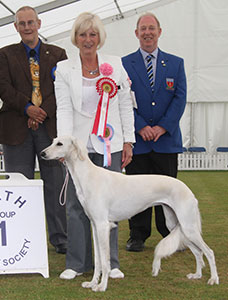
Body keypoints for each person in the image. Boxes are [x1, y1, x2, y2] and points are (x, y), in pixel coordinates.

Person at [55, 12, 135, 280]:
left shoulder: (116, 65)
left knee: (107, 205)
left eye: (92, 34)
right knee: (77, 206)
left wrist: (128, 140)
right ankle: (76, 263)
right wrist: (63, 145)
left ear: (99, 38)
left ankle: (110, 263)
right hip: (78, 147)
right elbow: (64, 108)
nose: (87, 39)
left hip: (109, 143)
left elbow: (125, 103)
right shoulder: (64, 69)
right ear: (75, 38)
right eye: (82, 34)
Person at [0, 6, 67, 254]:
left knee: (55, 185)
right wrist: (27, 108)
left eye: (30, 22)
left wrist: (41, 111)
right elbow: (3, 87)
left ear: (39, 23)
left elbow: (64, 88)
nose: (27, 27)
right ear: (16, 27)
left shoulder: (58, 53)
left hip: (50, 129)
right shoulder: (5, 54)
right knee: (18, 186)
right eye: (22, 23)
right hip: (16, 128)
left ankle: (60, 238)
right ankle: (18, 236)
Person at [121, 12, 187, 252]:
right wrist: (140, 126)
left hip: (165, 141)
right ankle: (137, 235)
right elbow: (122, 100)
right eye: (143, 28)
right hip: (138, 142)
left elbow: (180, 99)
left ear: (160, 31)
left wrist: (161, 127)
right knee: (136, 193)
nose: (147, 32)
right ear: (136, 33)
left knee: (167, 192)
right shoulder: (124, 64)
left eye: (151, 28)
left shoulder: (176, 63)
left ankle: (170, 234)